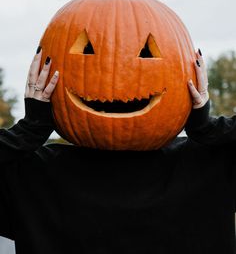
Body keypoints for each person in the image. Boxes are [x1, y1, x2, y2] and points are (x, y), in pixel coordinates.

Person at [0, 46, 234, 254]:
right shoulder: (211, 166)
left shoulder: (30, 174)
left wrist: (29, 130)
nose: (116, 77)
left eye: (146, 52)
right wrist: (209, 128)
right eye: (87, 49)